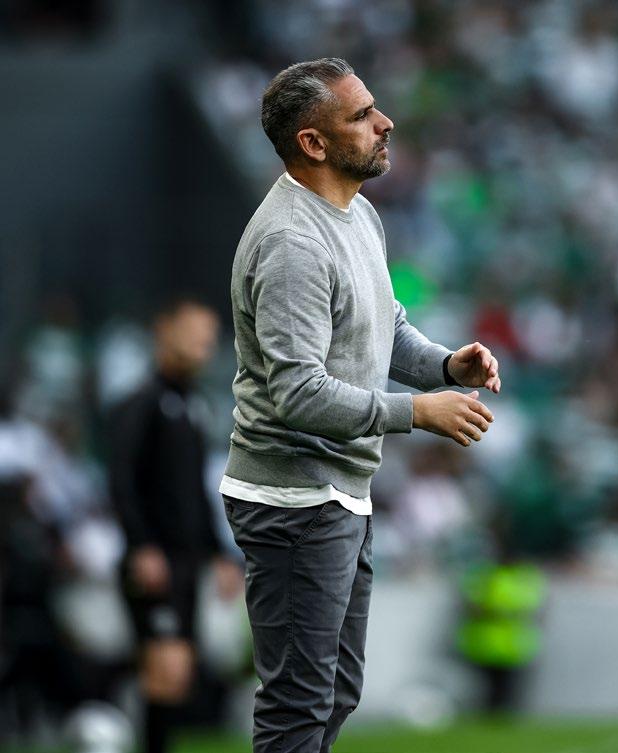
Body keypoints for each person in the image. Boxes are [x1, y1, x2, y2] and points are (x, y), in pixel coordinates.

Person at [219, 57, 501, 753]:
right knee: (299, 704)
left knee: (335, 691)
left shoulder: (357, 211)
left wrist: (444, 366)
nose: (385, 122)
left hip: (337, 490)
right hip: (293, 500)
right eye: (362, 115)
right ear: (313, 143)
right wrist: (418, 411)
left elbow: (385, 326)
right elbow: (297, 392)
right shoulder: (291, 242)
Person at [107, 299, 243, 753]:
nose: (203, 345)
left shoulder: (191, 404)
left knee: (178, 672)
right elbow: (122, 481)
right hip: (155, 560)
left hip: (185, 562)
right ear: (164, 331)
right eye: (194, 333)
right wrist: (141, 545)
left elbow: (194, 493)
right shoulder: (141, 404)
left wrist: (218, 554)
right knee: (165, 668)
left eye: (209, 337)